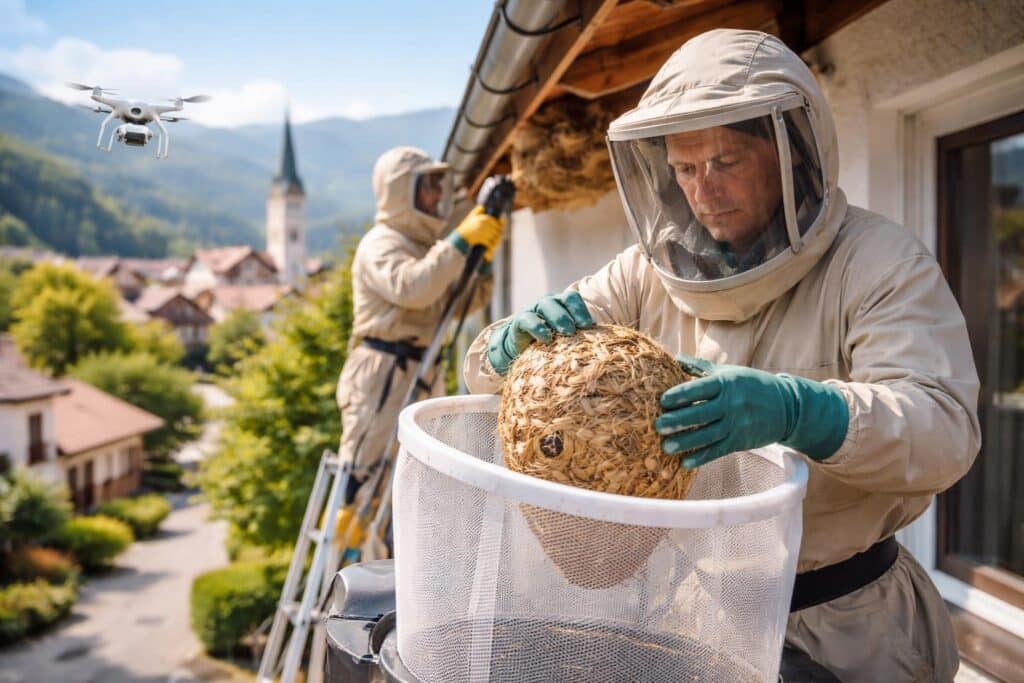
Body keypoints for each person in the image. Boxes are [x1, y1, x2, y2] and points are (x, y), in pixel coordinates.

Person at [464, 29, 979, 682]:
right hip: (696, 615)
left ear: (790, 154)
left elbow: (946, 430)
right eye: (685, 167)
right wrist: (506, 347)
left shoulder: (879, 262)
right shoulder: (643, 274)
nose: (702, 188)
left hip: (851, 627)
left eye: (727, 160)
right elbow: (490, 376)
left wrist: (802, 409)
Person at [337, 146, 503, 502]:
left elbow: (457, 307)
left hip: (422, 369)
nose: (437, 195)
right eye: (428, 186)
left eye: (437, 186)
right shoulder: (382, 243)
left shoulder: (424, 248)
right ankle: (351, 540)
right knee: (370, 475)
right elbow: (413, 288)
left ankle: (399, 553)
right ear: (401, 192)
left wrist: (481, 262)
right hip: (383, 373)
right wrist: (459, 242)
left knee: (419, 479)